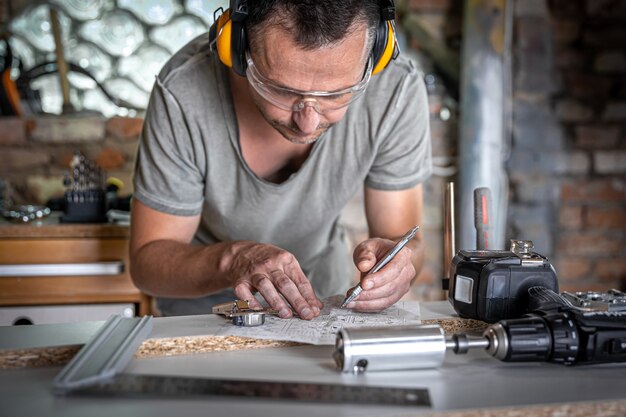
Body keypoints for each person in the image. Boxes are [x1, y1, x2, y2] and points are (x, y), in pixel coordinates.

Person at [130, 0, 432, 319]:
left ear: (377, 54)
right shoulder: (184, 93)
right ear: (237, 48)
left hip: (322, 300)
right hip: (203, 312)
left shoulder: (394, 91)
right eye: (281, 91)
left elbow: (404, 243)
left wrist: (397, 267)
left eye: (336, 95)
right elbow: (147, 264)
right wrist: (234, 261)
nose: (308, 122)